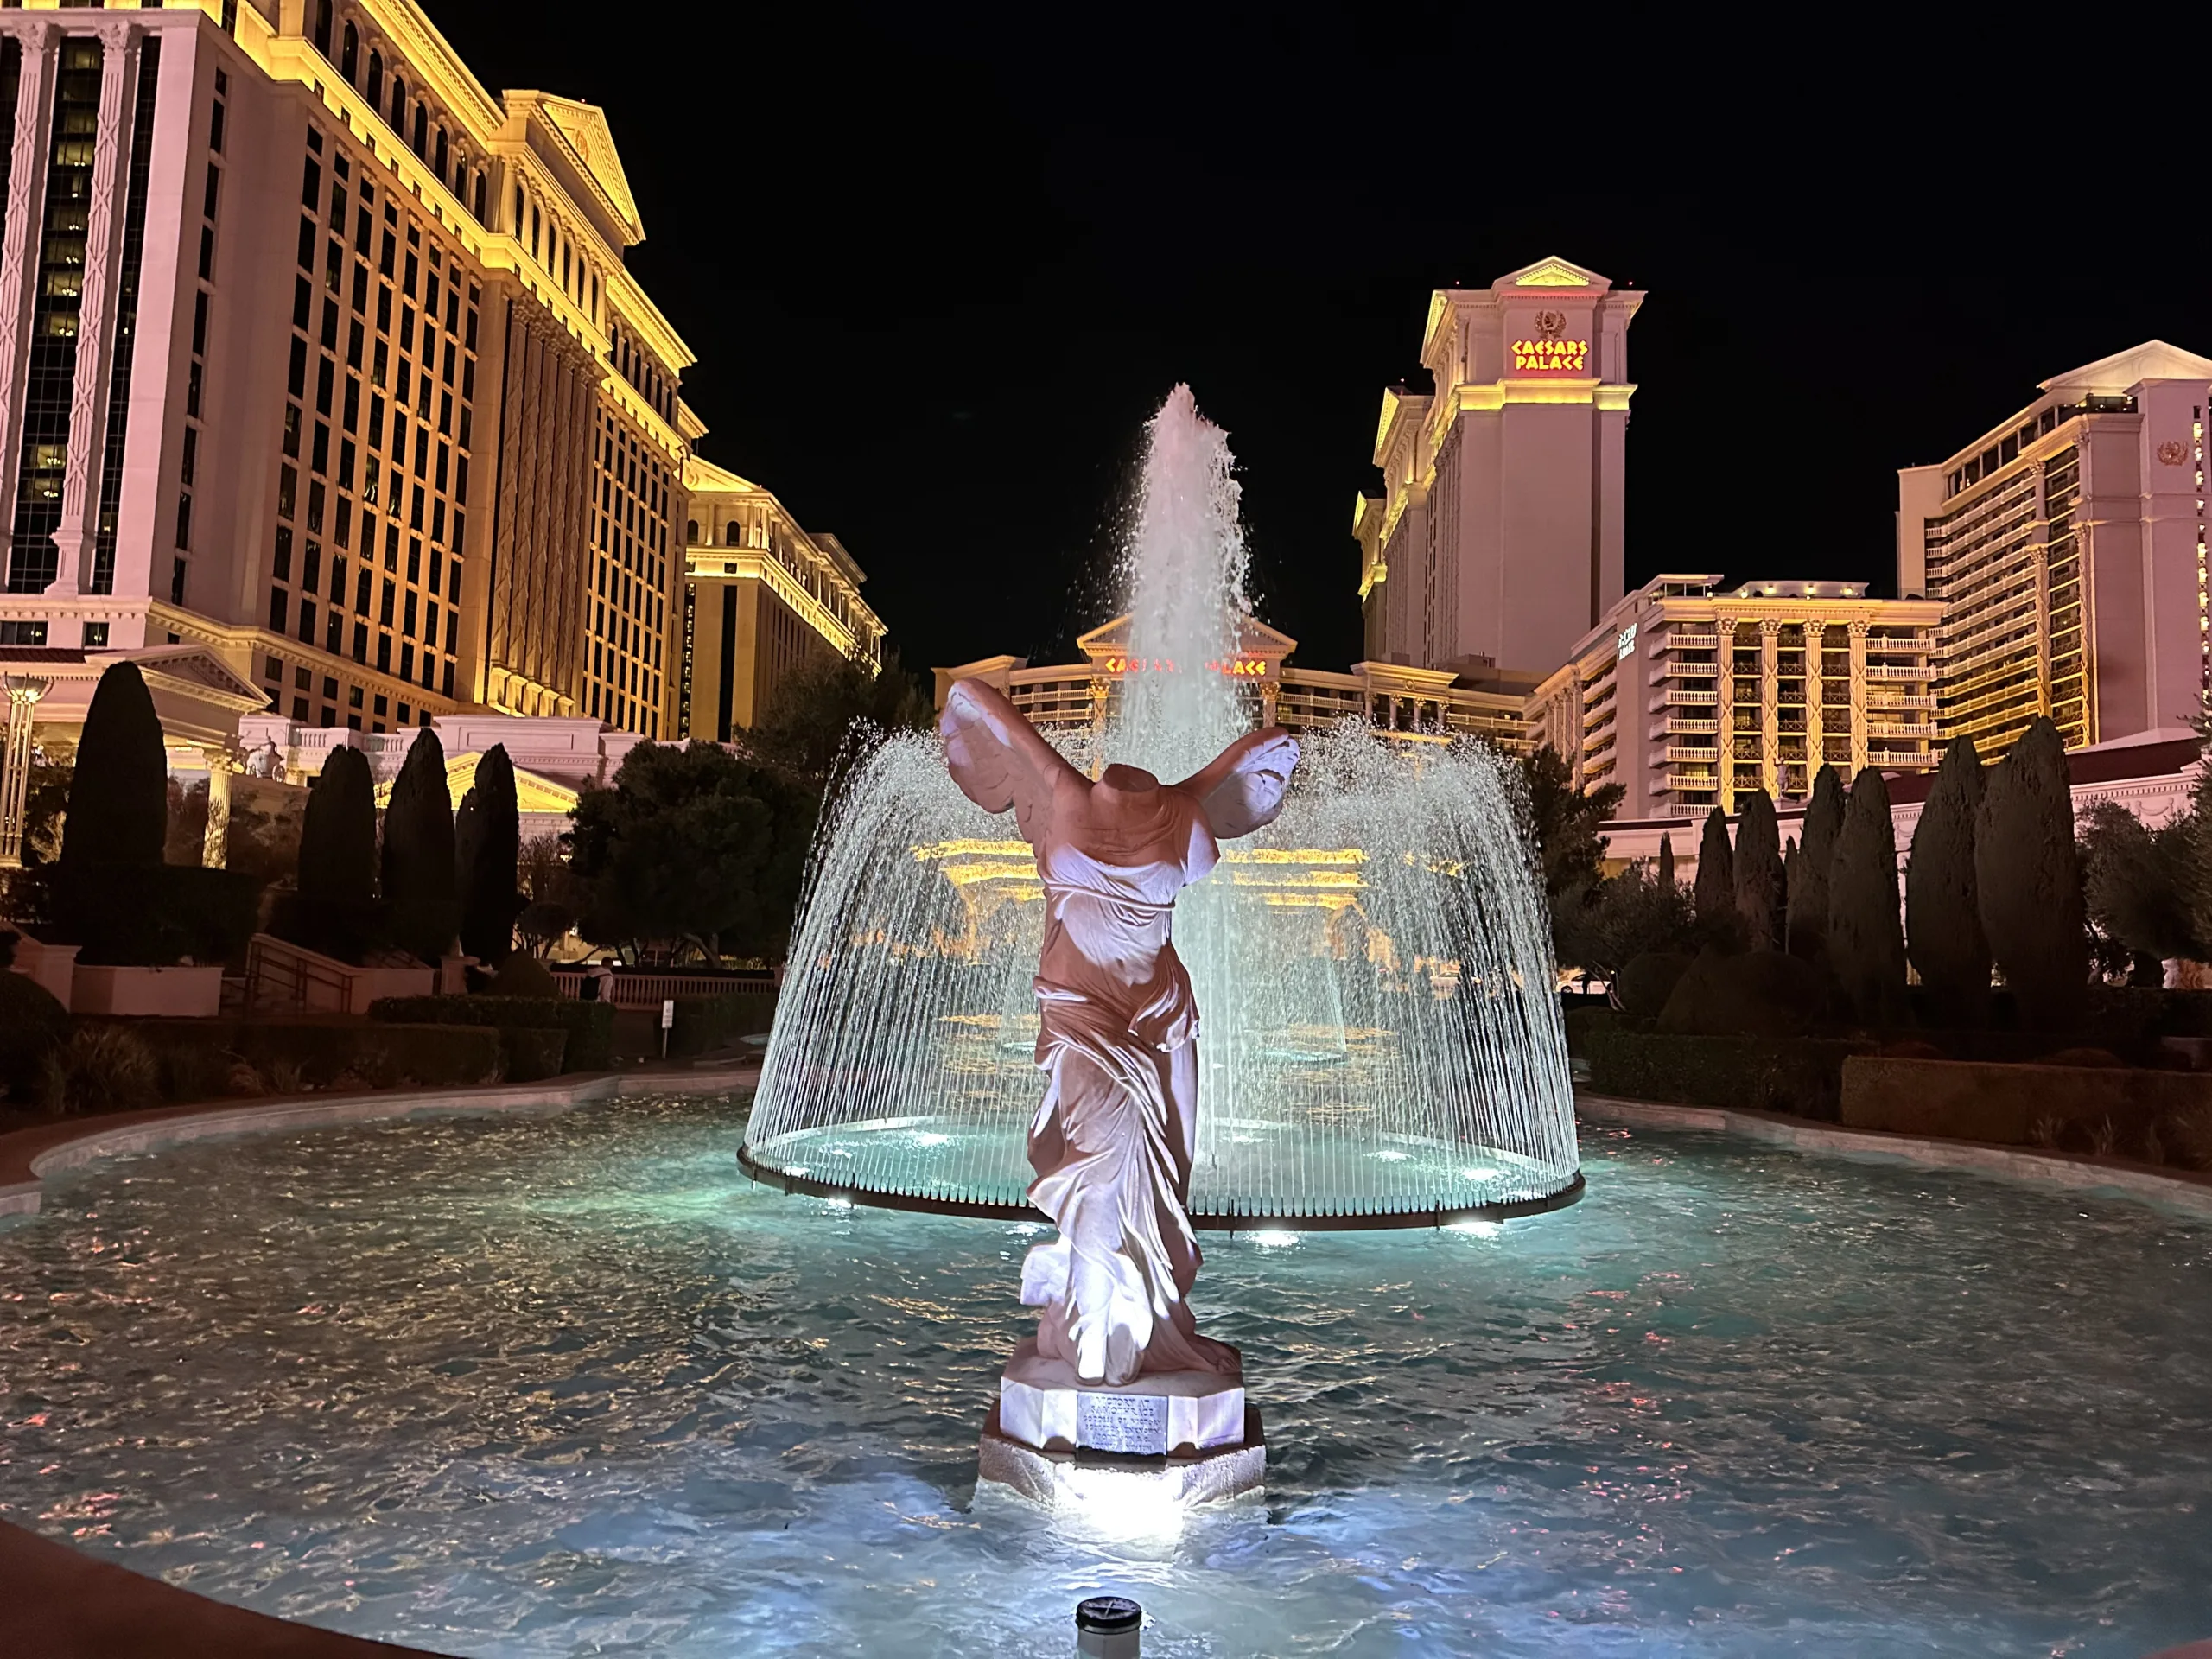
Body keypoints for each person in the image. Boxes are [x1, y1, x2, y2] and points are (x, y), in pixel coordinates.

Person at [941, 677, 1298, 1386]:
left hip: (1161, 1018)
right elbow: (969, 697)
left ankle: (1152, 1319)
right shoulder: (1060, 793)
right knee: (1103, 1162)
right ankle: (1099, 1334)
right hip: (1081, 1015)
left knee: (1168, 1170)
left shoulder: (1182, 817)